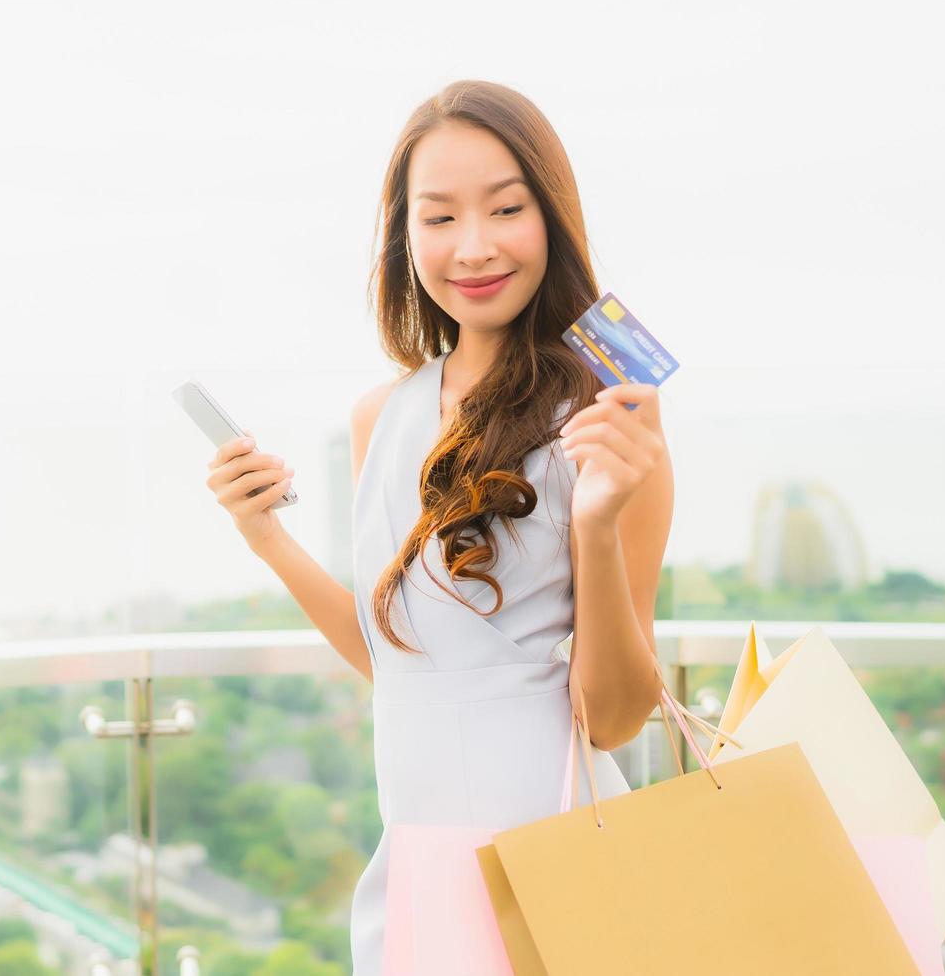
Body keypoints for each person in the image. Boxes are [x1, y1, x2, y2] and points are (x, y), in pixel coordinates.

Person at [204, 78, 674, 975]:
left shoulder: (607, 411)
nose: (475, 247)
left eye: (506, 208)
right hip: (416, 864)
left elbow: (613, 719)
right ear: (404, 235)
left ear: (553, 218)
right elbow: (400, 660)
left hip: (551, 853)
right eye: (439, 218)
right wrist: (266, 537)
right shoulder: (382, 415)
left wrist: (600, 525)